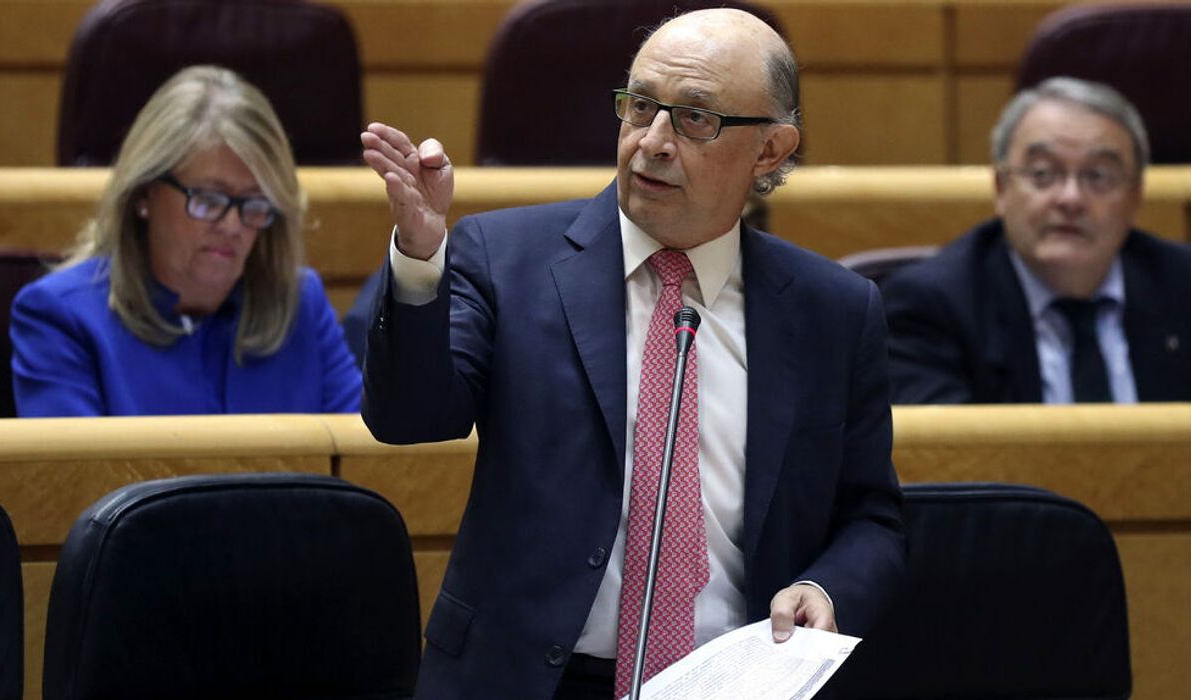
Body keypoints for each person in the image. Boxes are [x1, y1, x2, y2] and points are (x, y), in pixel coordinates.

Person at [360, 9, 905, 700]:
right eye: (641, 106)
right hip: (528, 681)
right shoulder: (506, 259)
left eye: (695, 118)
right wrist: (418, 258)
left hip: (731, 681)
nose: (652, 142)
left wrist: (824, 588)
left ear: (770, 150)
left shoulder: (834, 310)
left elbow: (872, 517)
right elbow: (408, 417)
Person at [11, 66, 361, 416]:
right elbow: (73, 454)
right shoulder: (62, 317)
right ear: (144, 194)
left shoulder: (300, 305)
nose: (232, 226)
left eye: (255, 203)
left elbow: (364, 445)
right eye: (208, 200)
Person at [883, 77, 1191, 404]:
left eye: (1098, 175)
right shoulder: (932, 307)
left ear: (1135, 196)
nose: (1071, 198)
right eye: (1043, 174)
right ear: (1001, 189)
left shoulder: (1183, 285)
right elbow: (948, 438)